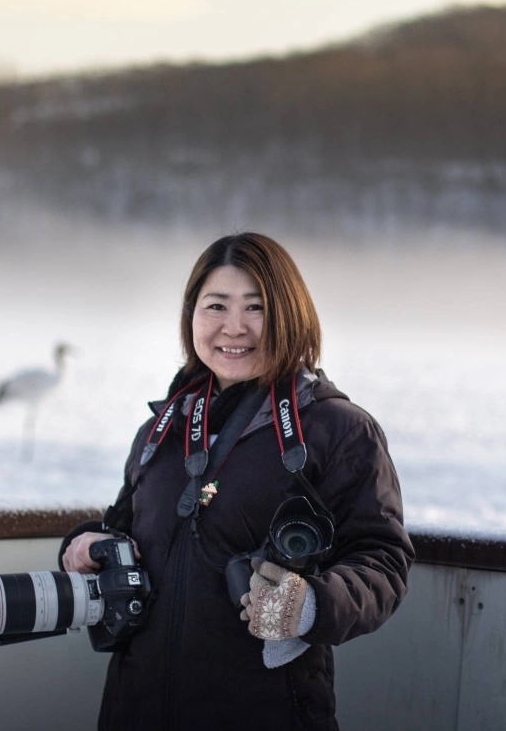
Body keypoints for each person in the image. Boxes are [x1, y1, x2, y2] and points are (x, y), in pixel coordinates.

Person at [60, 232, 415, 730]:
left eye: (256, 308)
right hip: (135, 708)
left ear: (290, 315)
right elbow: (123, 526)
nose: (234, 327)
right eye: (216, 306)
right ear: (191, 317)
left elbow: (383, 561)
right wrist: (85, 543)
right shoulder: (164, 429)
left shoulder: (336, 429)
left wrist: (309, 605)